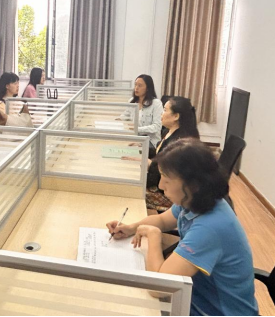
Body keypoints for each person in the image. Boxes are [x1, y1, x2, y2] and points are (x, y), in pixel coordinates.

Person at [107, 139, 259, 317]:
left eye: (167, 180)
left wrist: (154, 237)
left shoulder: (210, 228)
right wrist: (132, 228)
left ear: (193, 185)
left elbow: (159, 287)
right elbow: (163, 220)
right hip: (196, 299)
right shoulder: (195, 199)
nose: (161, 185)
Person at [145, 96, 200, 212]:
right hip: (161, 183)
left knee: (132, 190)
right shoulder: (168, 131)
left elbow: (164, 174)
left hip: (169, 193)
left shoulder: (179, 142)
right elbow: (160, 153)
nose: (161, 113)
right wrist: (142, 148)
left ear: (176, 116)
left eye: (165, 110)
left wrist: (149, 164)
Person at [126, 75, 163, 147]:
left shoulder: (156, 103)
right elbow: (126, 116)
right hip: (135, 137)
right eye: (135, 85)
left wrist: (137, 129)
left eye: (140, 85)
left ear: (148, 88)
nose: (136, 88)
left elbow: (157, 126)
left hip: (150, 141)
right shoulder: (132, 101)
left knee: (131, 147)